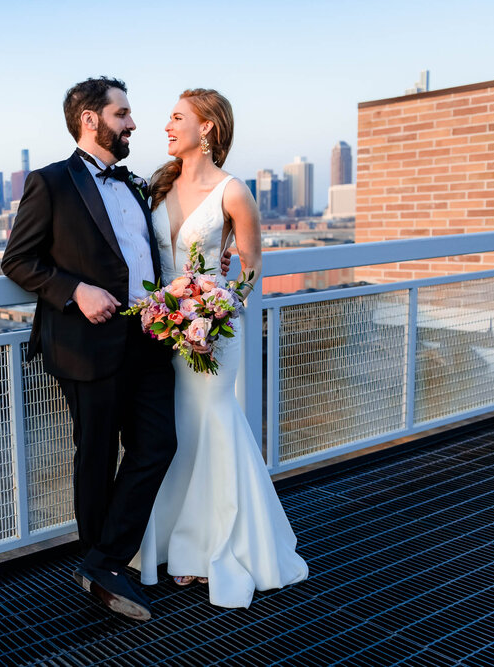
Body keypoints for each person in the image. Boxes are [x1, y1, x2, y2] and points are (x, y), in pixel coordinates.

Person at [2, 77, 199, 621]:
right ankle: (102, 568)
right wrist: (75, 291)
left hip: (149, 335)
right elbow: (17, 261)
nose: (133, 123)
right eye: (123, 113)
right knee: (94, 456)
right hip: (86, 343)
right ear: (91, 118)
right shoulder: (50, 183)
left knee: (158, 444)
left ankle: (102, 561)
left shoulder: (136, 184)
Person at [130, 89, 309, 608]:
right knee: (174, 433)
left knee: (211, 424)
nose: (166, 125)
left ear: (206, 127)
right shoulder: (157, 186)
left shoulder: (234, 192)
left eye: (177, 117)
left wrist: (218, 307)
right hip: (161, 329)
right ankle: (170, 540)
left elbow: (252, 266)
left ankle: (212, 547)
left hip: (211, 334)